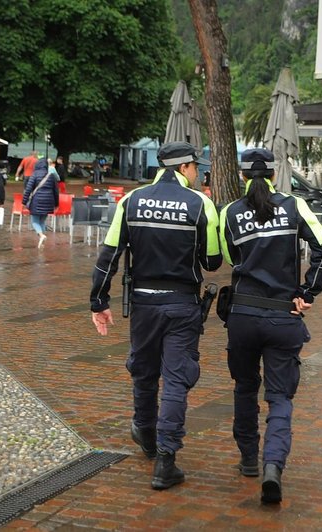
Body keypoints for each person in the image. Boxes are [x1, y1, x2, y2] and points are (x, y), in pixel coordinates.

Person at [90, 141, 222, 491]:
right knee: (176, 379)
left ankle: (144, 431)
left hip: (144, 303)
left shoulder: (131, 200)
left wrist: (98, 301)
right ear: (183, 168)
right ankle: (166, 460)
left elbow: (109, 255)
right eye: (195, 167)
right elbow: (212, 262)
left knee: (144, 371)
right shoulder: (201, 203)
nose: (197, 174)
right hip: (182, 304)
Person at [218, 148, 322, 504]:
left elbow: (230, 257)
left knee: (244, 387)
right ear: (274, 173)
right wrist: (308, 291)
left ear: (242, 175)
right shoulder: (294, 205)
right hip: (284, 315)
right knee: (280, 396)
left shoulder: (230, 212)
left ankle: (249, 459)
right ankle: (273, 466)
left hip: (243, 315)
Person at [22, 158, 59, 248]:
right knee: (42, 221)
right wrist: (56, 204)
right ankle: (42, 241)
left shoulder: (34, 174)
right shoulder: (51, 175)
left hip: (37, 201)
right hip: (49, 201)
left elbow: (28, 189)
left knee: (34, 221)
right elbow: (56, 191)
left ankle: (41, 236)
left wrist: (24, 201)